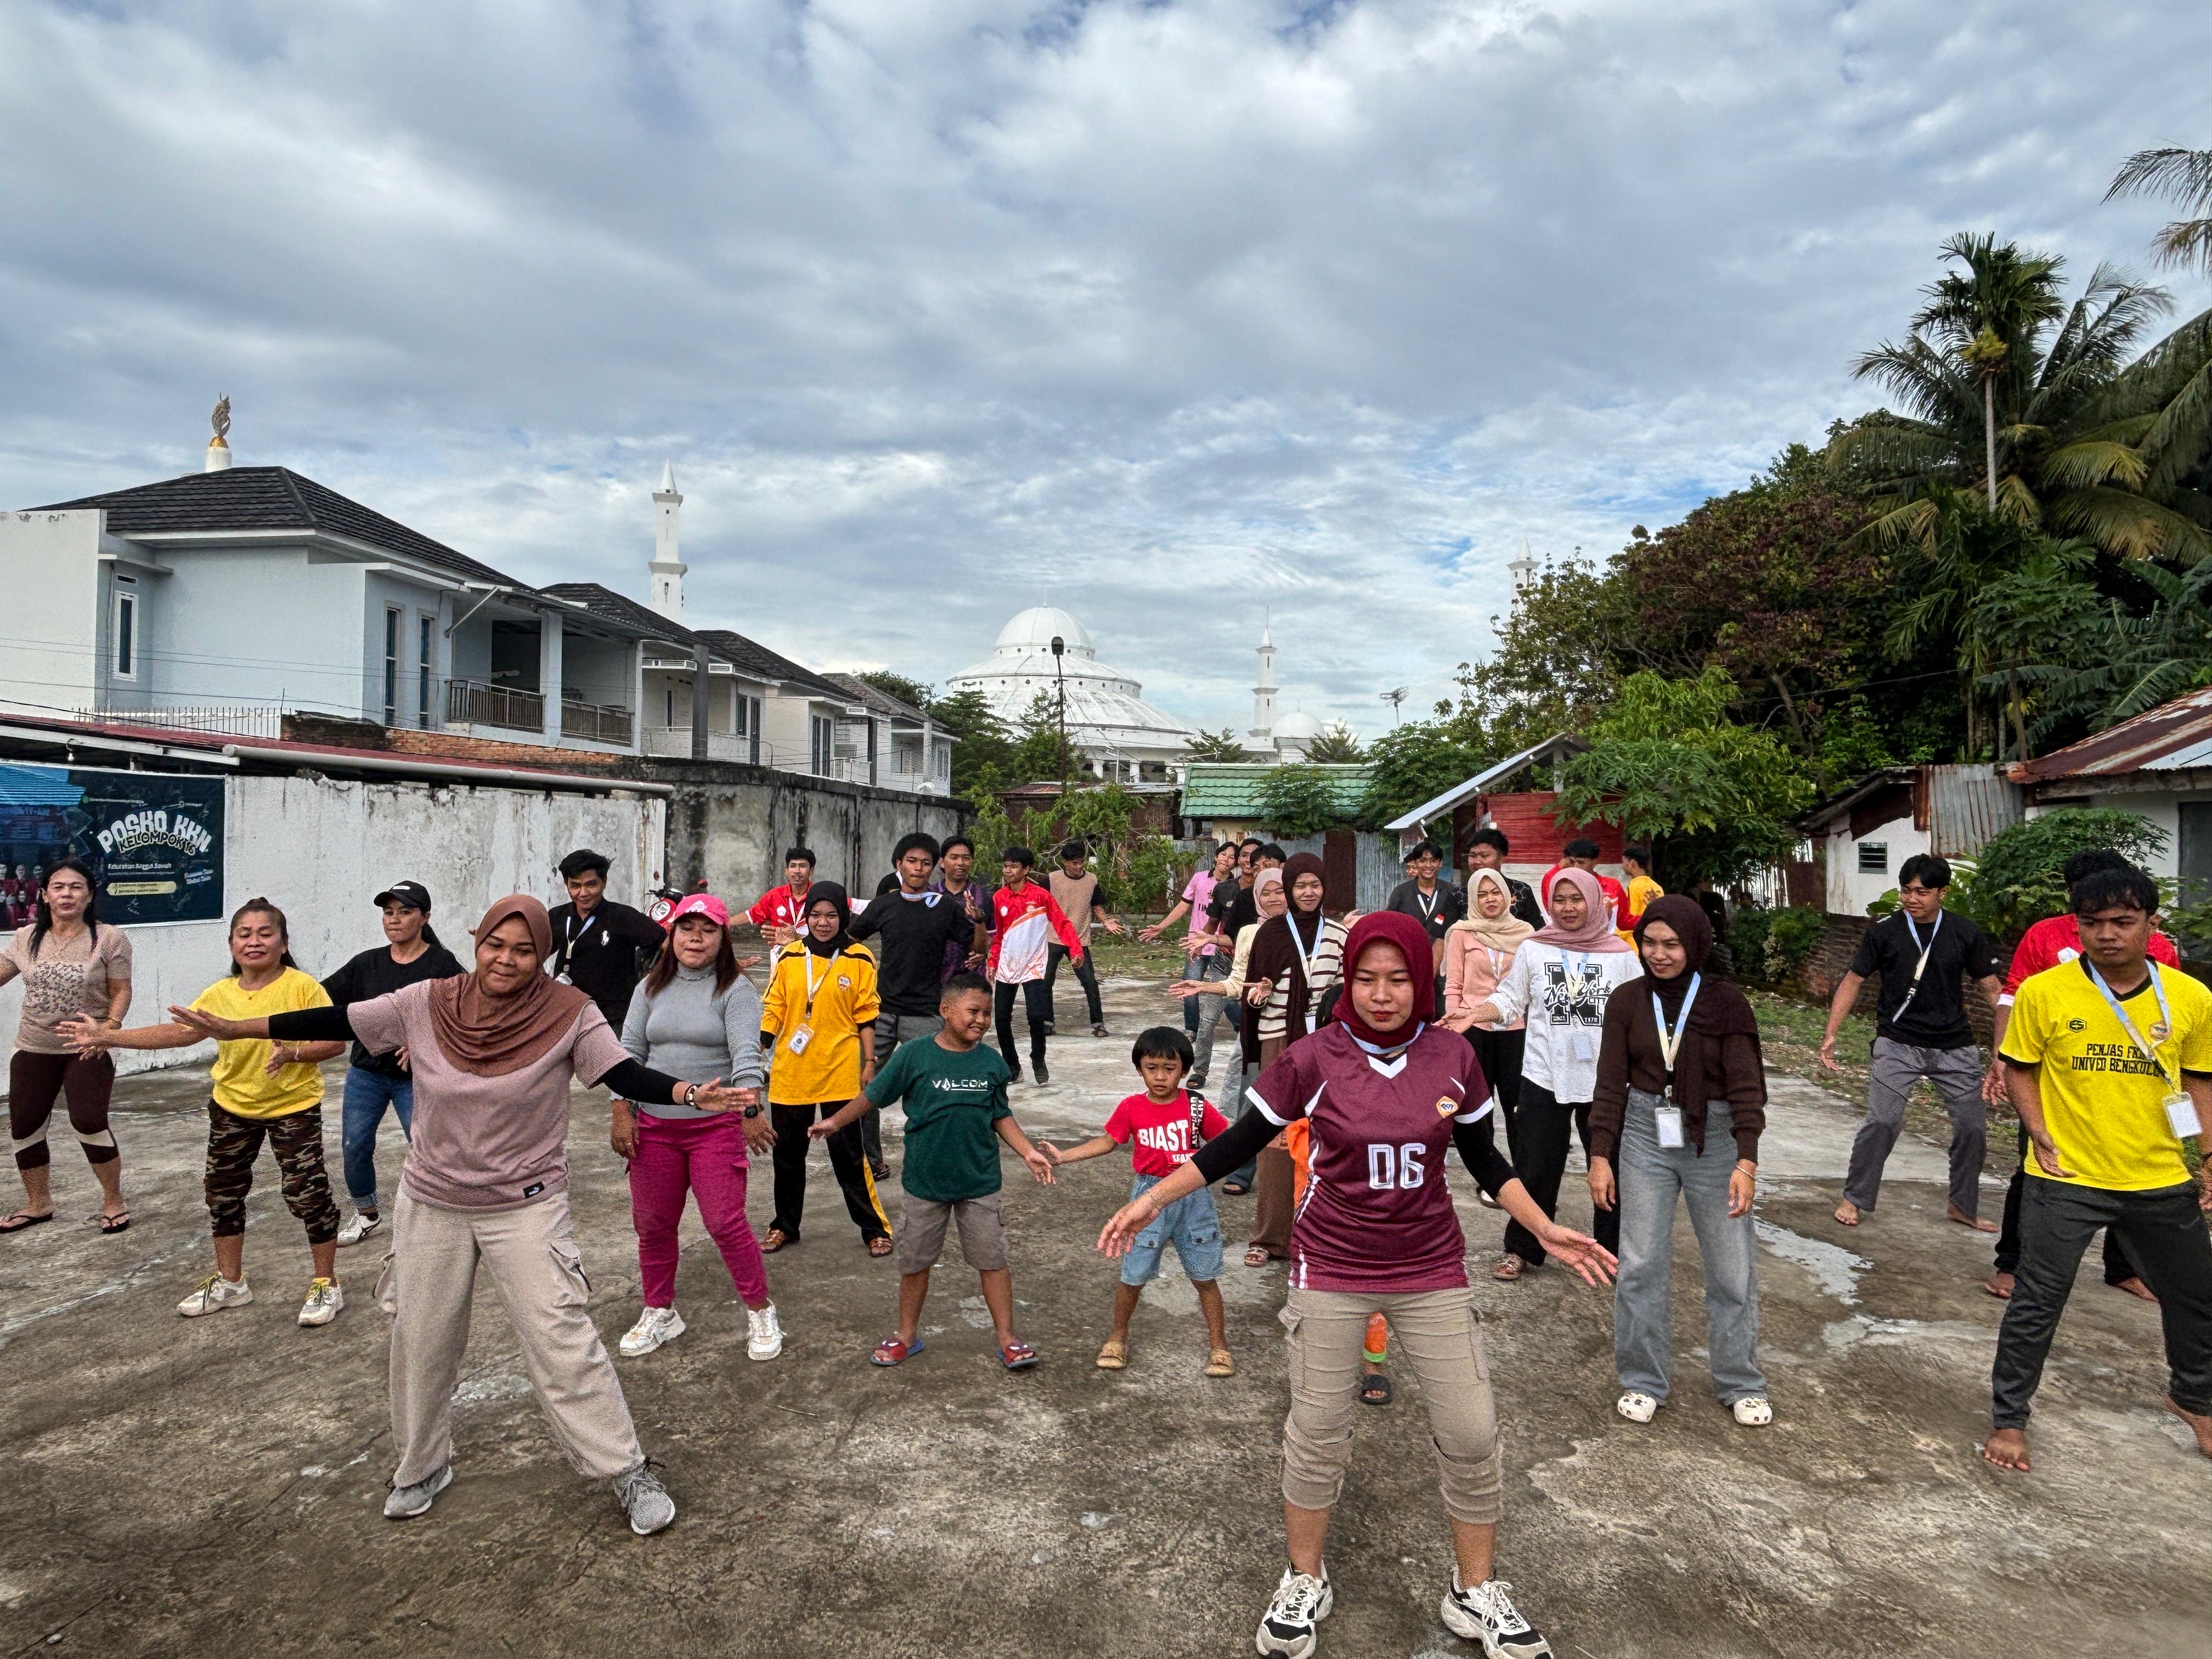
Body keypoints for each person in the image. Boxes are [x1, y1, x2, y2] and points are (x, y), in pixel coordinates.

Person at [1099, 912, 1615, 1659]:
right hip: (1331, 1269)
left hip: (1430, 1267)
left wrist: (1542, 1226)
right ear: (1350, 984)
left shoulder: (1453, 1056)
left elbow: (1483, 1157)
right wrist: (1151, 1198)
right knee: (1316, 1436)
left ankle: (1474, 1591)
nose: (1382, 994)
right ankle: (1305, 1577)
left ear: (1420, 981)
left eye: (1398, 979)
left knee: (1471, 1432)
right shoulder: (1313, 1058)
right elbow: (1237, 1142)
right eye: (1367, 979)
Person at [170, 894, 749, 1533]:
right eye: (496, 946)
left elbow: (622, 1071)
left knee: (562, 1341)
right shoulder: (428, 1001)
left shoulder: (568, 1012)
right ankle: (422, 1465)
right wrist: (239, 1029)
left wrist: (686, 1093)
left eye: (524, 949)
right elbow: (339, 1019)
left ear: (542, 954)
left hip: (525, 1205)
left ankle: (626, 1469)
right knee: (420, 1340)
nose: (507, 959)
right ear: (477, 944)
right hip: (432, 1203)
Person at [1984, 864, 2212, 1472]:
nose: (2107, 935)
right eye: (2092, 924)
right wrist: (2037, 1130)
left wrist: (2209, 1157)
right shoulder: (2045, 992)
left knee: (2196, 1298)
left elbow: (2198, 1081)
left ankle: (2195, 1399)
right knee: (2037, 1299)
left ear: (2150, 924)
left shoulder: (2191, 998)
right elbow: (2022, 1067)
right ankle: (2011, 1418)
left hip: (2157, 1177)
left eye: (2122, 922)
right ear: (2077, 926)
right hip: (2067, 1177)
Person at [64, 898, 349, 1324]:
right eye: (244, 934)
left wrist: (292, 1053)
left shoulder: (302, 987)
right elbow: (180, 1033)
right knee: (223, 1193)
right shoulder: (219, 994)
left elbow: (335, 1042)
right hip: (232, 1107)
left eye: (265, 933)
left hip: (293, 1108)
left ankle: (327, 1283)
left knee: (308, 1194)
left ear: (284, 943)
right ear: (232, 943)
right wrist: (110, 1037)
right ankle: (231, 1282)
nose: (254, 942)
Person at [810, 972, 1057, 1369]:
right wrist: (835, 1122)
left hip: (980, 1182)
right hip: (925, 1183)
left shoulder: (992, 1062)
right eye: (972, 1011)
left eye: (987, 1013)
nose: (980, 1020)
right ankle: (907, 1335)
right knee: (915, 1262)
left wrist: (1027, 1151)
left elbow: (1001, 1114)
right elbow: (872, 1096)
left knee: (993, 1261)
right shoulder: (914, 1055)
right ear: (945, 1010)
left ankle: (1008, 1339)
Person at [1589, 895, 1773, 1427]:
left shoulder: (1727, 1003)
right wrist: (1600, 1155)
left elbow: (1747, 1086)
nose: (1659, 954)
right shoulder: (1626, 1000)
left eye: (1671, 944)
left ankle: (1741, 1381)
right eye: (1650, 942)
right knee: (1642, 1262)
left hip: (1714, 1139)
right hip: (1646, 1133)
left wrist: (1747, 1160)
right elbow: (1609, 1084)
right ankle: (1643, 1379)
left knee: (1731, 1268)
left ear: (1695, 944)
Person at [1981, 847, 2183, 1301]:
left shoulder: (2159, 947)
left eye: (2118, 912)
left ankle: (2124, 1268)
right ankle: (2012, 1264)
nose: (2102, 926)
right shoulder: (2045, 935)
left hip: (2132, 1086)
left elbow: (2173, 1016)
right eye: (2088, 909)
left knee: (2132, 1181)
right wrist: (2001, 1057)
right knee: (2034, 1172)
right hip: (2055, 1084)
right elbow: (2012, 999)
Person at [611, 893, 781, 1362]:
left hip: (713, 1128)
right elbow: (628, 1053)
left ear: (722, 937)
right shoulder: (649, 988)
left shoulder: (736, 990)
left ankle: (760, 1310)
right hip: (654, 1126)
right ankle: (660, 1311)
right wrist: (620, 1107)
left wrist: (749, 1109)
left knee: (725, 1222)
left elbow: (748, 1053)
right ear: (672, 934)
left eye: (707, 930)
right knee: (653, 1225)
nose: (695, 938)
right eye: (687, 929)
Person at [1455, 868, 1638, 1282]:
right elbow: (1510, 998)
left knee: (1610, 1171)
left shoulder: (1621, 956)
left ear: (1592, 901)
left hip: (1604, 1084)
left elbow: (1639, 1013)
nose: (1568, 908)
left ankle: (1610, 1253)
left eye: (1576, 899)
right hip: (1543, 1075)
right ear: (1549, 903)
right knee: (1535, 1167)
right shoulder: (1535, 948)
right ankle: (1523, 1248)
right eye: (1560, 900)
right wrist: (1474, 1014)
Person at [1816, 854, 2004, 1233]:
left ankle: (1962, 1205)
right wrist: (1831, 1032)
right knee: (1883, 1120)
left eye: (1922, 891)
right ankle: (1854, 1197)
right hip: (1897, 1043)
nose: (1911, 898)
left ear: (1943, 893)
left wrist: (2005, 1049)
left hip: (1955, 1045)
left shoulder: (1965, 933)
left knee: (1973, 1128)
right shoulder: (1884, 932)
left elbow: (1992, 990)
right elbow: (1854, 980)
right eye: (1906, 890)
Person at [1044, 1026, 1233, 1377]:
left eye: (1169, 1068)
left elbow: (1230, 1140)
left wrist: (1277, 1138)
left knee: (1206, 1276)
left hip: (1195, 1198)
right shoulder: (1131, 1107)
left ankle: (1219, 1346)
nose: (1160, 1076)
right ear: (1139, 1068)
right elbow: (1107, 1142)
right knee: (1133, 1274)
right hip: (1146, 1201)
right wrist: (1062, 1157)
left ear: (1185, 1069)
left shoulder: (1197, 1106)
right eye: (1151, 1067)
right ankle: (1117, 1338)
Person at [320, 881, 466, 1249]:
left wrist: (423, 1043)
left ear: (425, 917)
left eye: (405, 912)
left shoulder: (442, 965)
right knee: (354, 1146)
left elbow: (465, 1016)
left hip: (415, 1079)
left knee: (426, 1147)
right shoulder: (365, 964)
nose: (394, 920)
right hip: (366, 1074)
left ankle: (440, 1215)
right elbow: (320, 997)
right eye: (388, 913)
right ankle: (367, 1214)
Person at [759, 883, 894, 1257]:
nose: (823, 922)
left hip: (840, 1070)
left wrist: (870, 1063)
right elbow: (774, 1008)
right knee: (787, 1156)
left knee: (850, 1156)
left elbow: (867, 1014)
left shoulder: (860, 958)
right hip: (791, 1073)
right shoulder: (788, 956)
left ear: (843, 917)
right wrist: (759, 1047)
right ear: (806, 918)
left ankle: (874, 1228)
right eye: (816, 915)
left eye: (831, 915)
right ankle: (784, 1225)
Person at [2, 859, 133, 1235]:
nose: (67, 894)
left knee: (89, 1122)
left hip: (86, 1046)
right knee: (25, 1127)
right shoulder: (26, 938)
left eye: (76, 887)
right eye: (58, 887)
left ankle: (113, 1200)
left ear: (90, 895)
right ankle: (38, 1203)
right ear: (44, 895)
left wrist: (109, 1029)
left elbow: (121, 989)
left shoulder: (109, 938)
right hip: (34, 1045)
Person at [851, 833, 988, 1179]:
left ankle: (931, 1155)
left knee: (935, 1086)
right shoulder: (884, 905)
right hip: (880, 1012)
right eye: (912, 861)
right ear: (899, 865)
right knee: (866, 1087)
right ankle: (873, 1160)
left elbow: (978, 947)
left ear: (934, 867)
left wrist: (979, 921)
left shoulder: (945, 908)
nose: (919, 868)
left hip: (926, 1012)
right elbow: (849, 942)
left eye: (926, 862)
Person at [1240, 852, 1350, 1266]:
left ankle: (1320, 1236)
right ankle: (1269, 1238)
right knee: (1274, 1136)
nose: (1308, 893)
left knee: (1327, 1135)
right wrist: (1261, 991)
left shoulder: (1338, 935)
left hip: (1325, 1046)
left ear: (1324, 888)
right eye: (1300, 886)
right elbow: (1253, 989)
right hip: (1278, 1041)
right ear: (1290, 889)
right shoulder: (1270, 934)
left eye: (1314, 885)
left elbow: (1343, 991)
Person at [1170, 867, 1290, 1194]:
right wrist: (1203, 987)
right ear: (1256, 897)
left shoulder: (1307, 931)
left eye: (1280, 891)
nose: (1274, 898)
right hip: (1260, 1028)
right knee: (1253, 1102)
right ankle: (1242, 1169)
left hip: (1302, 1030)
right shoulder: (1249, 933)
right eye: (1266, 893)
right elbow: (1238, 981)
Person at [1441, 867, 1535, 1209]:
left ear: (1508, 896)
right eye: (1482, 894)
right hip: (1474, 1029)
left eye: (1496, 892)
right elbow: (1453, 986)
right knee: (1480, 1107)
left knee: (1517, 1107)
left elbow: (1530, 988)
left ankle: (1522, 1177)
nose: (1490, 899)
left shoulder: (1526, 934)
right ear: (1473, 900)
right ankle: (1491, 1180)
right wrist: (1454, 1025)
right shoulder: (1462, 933)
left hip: (1516, 1030)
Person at [1143, 840, 1240, 1088]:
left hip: (1223, 948)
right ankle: (1191, 1031)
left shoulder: (1236, 888)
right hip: (1197, 945)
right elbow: (1183, 906)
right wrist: (1162, 926)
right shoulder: (1199, 878)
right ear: (1217, 856)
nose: (1227, 860)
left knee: (1227, 995)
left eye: (1232, 857)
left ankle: (1240, 1026)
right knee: (1190, 992)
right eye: (1224, 855)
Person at [987, 846, 1085, 1087]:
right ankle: (1012, 1066)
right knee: (1001, 1019)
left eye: (1014, 866)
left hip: (1034, 966)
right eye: (1006, 866)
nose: (1008, 871)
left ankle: (1038, 1060)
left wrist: (1076, 950)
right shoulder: (999, 897)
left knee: (1035, 1017)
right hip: (1007, 967)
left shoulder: (1041, 896)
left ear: (1027, 869)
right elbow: (999, 935)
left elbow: (1062, 924)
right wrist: (993, 960)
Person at [547, 850, 668, 1036]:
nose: (583, 893)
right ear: (566, 885)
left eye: (591, 884)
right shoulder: (558, 917)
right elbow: (534, 953)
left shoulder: (622, 917)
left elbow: (663, 941)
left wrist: (648, 978)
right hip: (565, 1017)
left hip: (611, 1022)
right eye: (575, 886)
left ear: (604, 882)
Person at [1045, 841, 1126, 1037]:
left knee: (1090, 982)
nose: (1079, 866)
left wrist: (1106, 921)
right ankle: (1047, 1022)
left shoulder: (1092, 880)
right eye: (1074, 863)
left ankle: (1098, 1024)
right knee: (1045, 981)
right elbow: (1038, 903)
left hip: (1079, 939)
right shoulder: (1051, 879)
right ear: (1064, 862)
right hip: (1054, 937)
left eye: (1081, 862)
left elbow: (1096, 904)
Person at [1385, 838, 1466, 1008]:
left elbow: (1457, 930)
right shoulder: (1401, 893)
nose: (1428, 865)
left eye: (1433, 860)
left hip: (1444, 969)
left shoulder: (1452, 892)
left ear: (1440, 864)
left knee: (1441, 1012)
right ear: (1415, 863)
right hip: (1408, 964)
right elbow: (1390, 927)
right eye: (1423, 860)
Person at [929, 835, 992, 982]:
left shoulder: (983, 896)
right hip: (935, 979)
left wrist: (985, 951)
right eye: (954, 857)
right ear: (942, 861)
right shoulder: (930, 896)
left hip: (972, 978)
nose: (960, 863)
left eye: (966, 858)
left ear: (972, 862)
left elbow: (994, 932)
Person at [1465, 828, 1544, 930]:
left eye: (1484, 856)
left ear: (1501, 857)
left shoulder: (1521, 891)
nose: (1477, 861)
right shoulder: (1459, 894)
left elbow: (1538, 932)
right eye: (1473, 856)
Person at [1541, 838, 1628, 930]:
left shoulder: (1612, 886)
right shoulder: (1562, 886)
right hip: (1566, 941)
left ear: (1595, 862)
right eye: (1572, 862)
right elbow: (1550, 909)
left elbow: (1624, 922)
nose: (1576, 867)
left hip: (1604, 941)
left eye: (1581, 863)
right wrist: (1558, 867)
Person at [745, 848, 819, 948]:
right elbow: (751, 916)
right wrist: (721, 922)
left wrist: (797, 937)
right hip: (780, 956)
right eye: (793, 866)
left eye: (802, 866)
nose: (797, 871)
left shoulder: (821, 895)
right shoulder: (775, 895)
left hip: (812, 955)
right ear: (787, 871)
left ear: (811, 871)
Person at [1619, 846, 1662, 938]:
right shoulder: (1657, 887)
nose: (1623, 866)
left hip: (1636, 939)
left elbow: (1630, 918)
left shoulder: (1634, 887)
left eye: (1624, 862)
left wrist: (1617, 936)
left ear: (1632, 863)